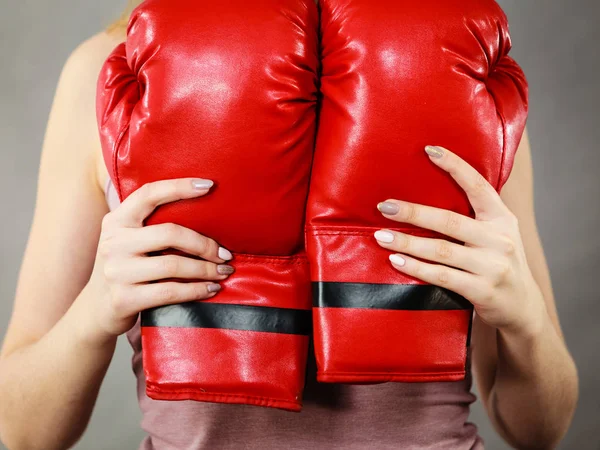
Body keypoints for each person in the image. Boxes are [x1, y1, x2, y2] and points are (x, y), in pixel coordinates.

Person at [0, 1, 579, 449]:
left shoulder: (463, 77)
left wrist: (524, 318)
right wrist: (96, 310)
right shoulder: (110, 75)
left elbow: (538, 431)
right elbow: (24, 433)